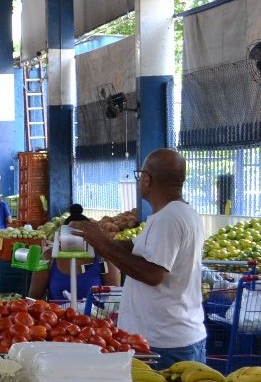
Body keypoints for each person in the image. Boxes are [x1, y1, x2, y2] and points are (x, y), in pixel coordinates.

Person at [70, 148, 206, 366]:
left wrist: (102, 243)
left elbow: (153, 273)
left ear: (147, 179)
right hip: (174, 337)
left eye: (139, 175)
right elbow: (137, 248)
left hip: (163, 343)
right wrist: (97, 243)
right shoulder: (182, 213)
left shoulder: (168, 219)